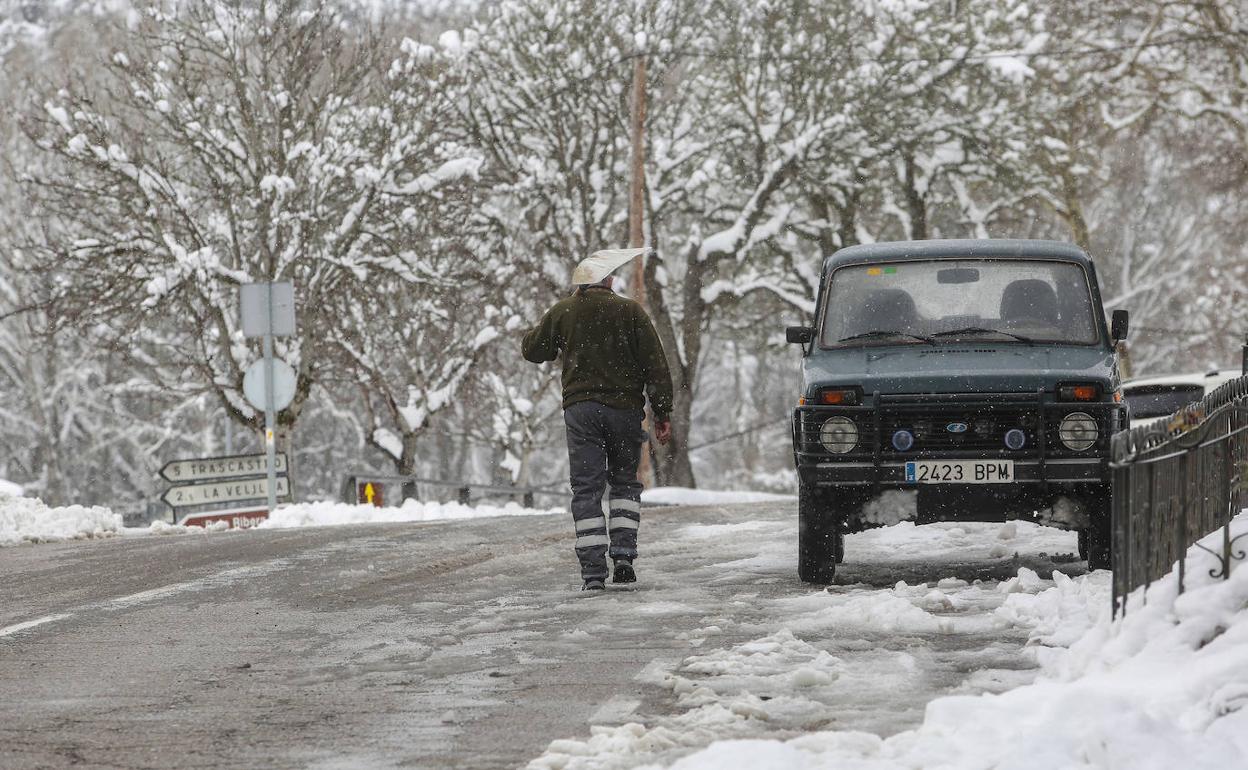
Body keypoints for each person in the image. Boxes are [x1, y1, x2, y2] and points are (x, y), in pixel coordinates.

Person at [521, 248, 674, 592]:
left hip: (581, 412)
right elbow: (656, 365)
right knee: (624, 483)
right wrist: (662, 412)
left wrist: (556, 320)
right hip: (624, 411)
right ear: (608, 280)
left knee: (587, 488)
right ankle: (623, 556)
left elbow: (533, 350)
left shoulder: (564, 311)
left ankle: (592, 572)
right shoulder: (630, 311)